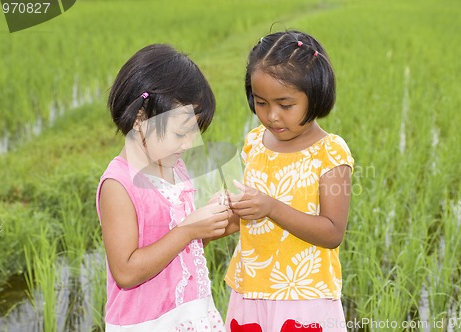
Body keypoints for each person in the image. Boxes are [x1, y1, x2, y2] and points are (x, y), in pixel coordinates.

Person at [96, 44, 236, 331]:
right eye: (180, 133)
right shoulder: (118, 185)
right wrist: (188, 230)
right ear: (140, 119)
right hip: (149, 323)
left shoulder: (175, 167)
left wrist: (212, 223)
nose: (189, 144)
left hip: (191, 314)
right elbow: (126, 271)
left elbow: (177, 249)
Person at [224, 30, 354, 332]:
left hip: (304, 295)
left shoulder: (331, 153)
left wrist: (270, 207)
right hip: (250, 288)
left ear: (316, 94)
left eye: (285, 105)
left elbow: (333, 232)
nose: (271, 116)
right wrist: (228, 211)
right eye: (260, 103)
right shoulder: (254, 141)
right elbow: (251, 211)